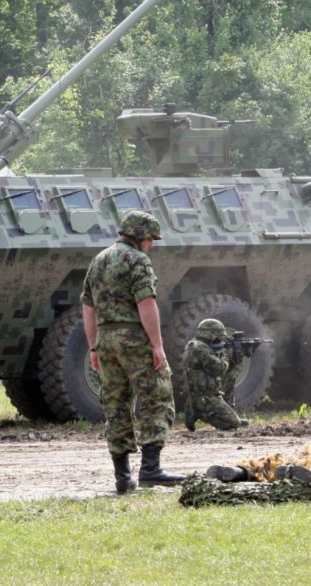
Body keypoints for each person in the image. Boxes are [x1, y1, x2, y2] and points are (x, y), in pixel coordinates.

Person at [81, 209, 183, 494]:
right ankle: (151, 468)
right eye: (151, 238)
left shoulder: (98, 260)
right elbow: (146, 303)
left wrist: (93, 346)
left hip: (105, 339)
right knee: (157, 394)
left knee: (115, 404)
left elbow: (87, 307)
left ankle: (122, 477)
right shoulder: (137, 260)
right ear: (139, 235)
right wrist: (157, 345)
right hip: (133, 337)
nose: (152, 244)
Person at [181, 319, 247, 431]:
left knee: (229, 378)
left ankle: (224, 411)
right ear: (211, 334)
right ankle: (200, 413)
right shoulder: (201, 349)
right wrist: (226, 354)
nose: (219, 339)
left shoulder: (194, 344)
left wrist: (235, 358)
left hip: (201, 393)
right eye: (217, 336)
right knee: (234, 423)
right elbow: (220, 369)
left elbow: (223, 372)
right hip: (204, 398)